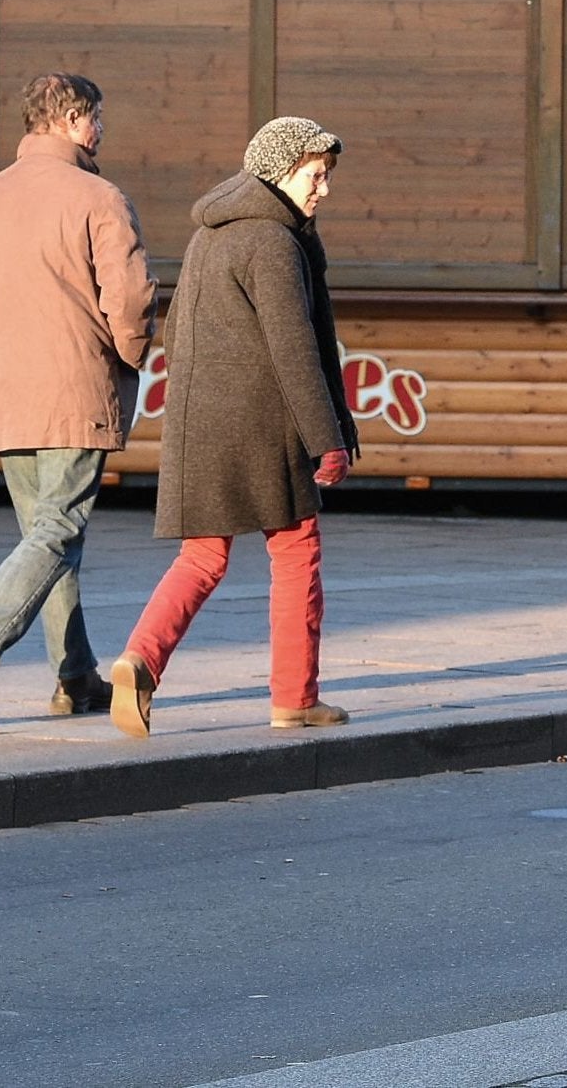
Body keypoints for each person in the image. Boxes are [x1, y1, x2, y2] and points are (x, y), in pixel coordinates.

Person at [109, 117, 358, 739]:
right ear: (278, 172)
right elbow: (294, 347)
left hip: (202, 420)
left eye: (326, 176)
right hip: (262, 422)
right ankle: (294, 698)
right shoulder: (272, 242)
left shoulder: (212, 235)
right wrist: (325, 436)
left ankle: (140, 658)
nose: (323, 189)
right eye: (314, 175)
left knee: (203, 555)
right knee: (297, 547)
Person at [0, 73, 156, 724]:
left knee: (46, 538)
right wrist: (128, 354)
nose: (101, 131)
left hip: (9, 394)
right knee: (58, 529)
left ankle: (76, 675)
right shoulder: (99, 196)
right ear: (71, 117)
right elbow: (132, 299)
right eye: (97, 117)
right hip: (76, 388)